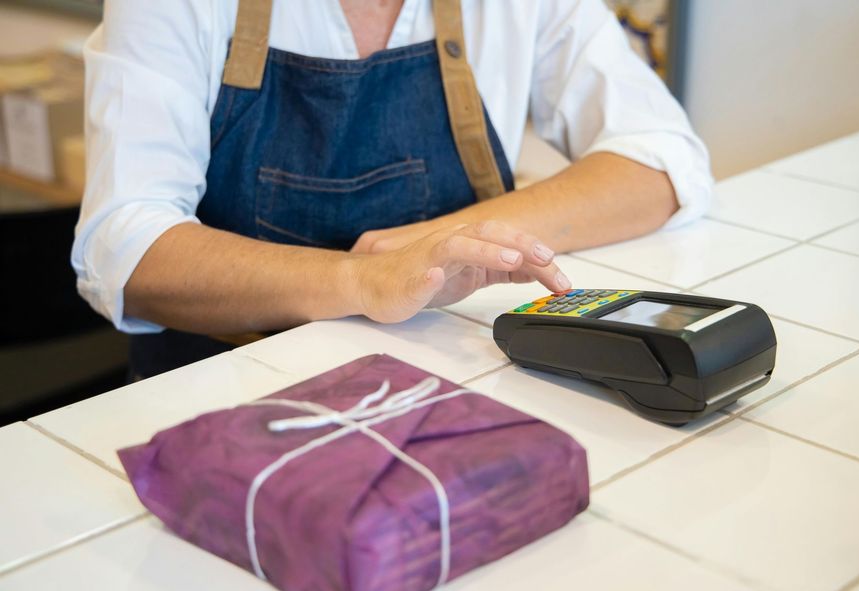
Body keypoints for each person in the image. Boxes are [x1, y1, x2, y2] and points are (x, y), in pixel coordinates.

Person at [72, 0, 713, 378]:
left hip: (447, 375)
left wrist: (434, 248)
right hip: (224, 390)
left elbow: (661, 161)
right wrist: (366, 280)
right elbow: (126, 251)